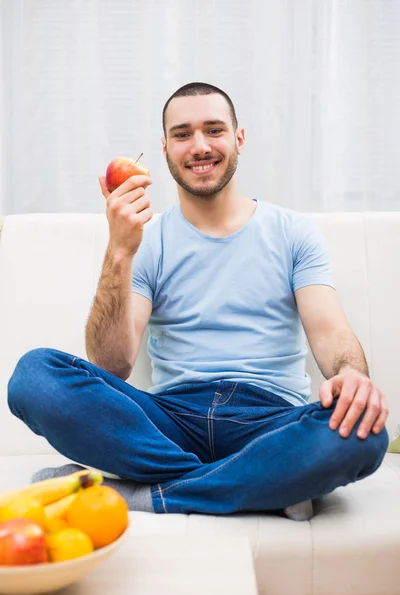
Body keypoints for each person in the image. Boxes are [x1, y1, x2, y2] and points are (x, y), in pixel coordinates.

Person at [7, 82, 389, 520]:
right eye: (183, 133)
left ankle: (144, 494)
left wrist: (352, 376)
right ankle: (260, 483)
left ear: (238, 138)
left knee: (365, 432)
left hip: (269, 421)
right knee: (34, 377)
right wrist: (120, 251)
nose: (200, 146)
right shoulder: (144, 241)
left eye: (214, 129)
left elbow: (332, 335)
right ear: (165, 148)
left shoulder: (293, 231)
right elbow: (111, 366)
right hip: (169, 422)